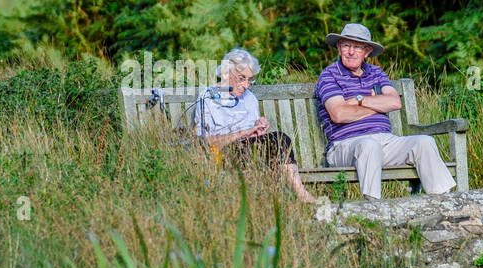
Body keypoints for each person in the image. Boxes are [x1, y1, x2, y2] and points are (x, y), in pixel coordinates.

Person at [315, 22, 456, 199]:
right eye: (346, 45)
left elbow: (395, 102)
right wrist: (378, 105)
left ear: (367, 52)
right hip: (345, 145)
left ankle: (442, 203)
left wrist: (360, 100)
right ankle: (374, 209)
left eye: (357, 47)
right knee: (369, 146)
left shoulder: (376, 73)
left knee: (424, 142)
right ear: (338, 47)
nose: (351, 52)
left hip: (385, 141)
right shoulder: (329, 75)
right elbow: (339, 114)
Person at [194, 48, 321, 203]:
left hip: (252, 150)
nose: (246, 85)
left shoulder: (249, 98)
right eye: (242, 78)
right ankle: (296, 198)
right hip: (226, 154)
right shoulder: (208, 97)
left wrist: (258, 128)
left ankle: (295, 197)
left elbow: (253, 134)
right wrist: (243, 133)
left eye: (250, 80)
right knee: (274, 143)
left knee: (279, 139)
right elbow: (206, 141)